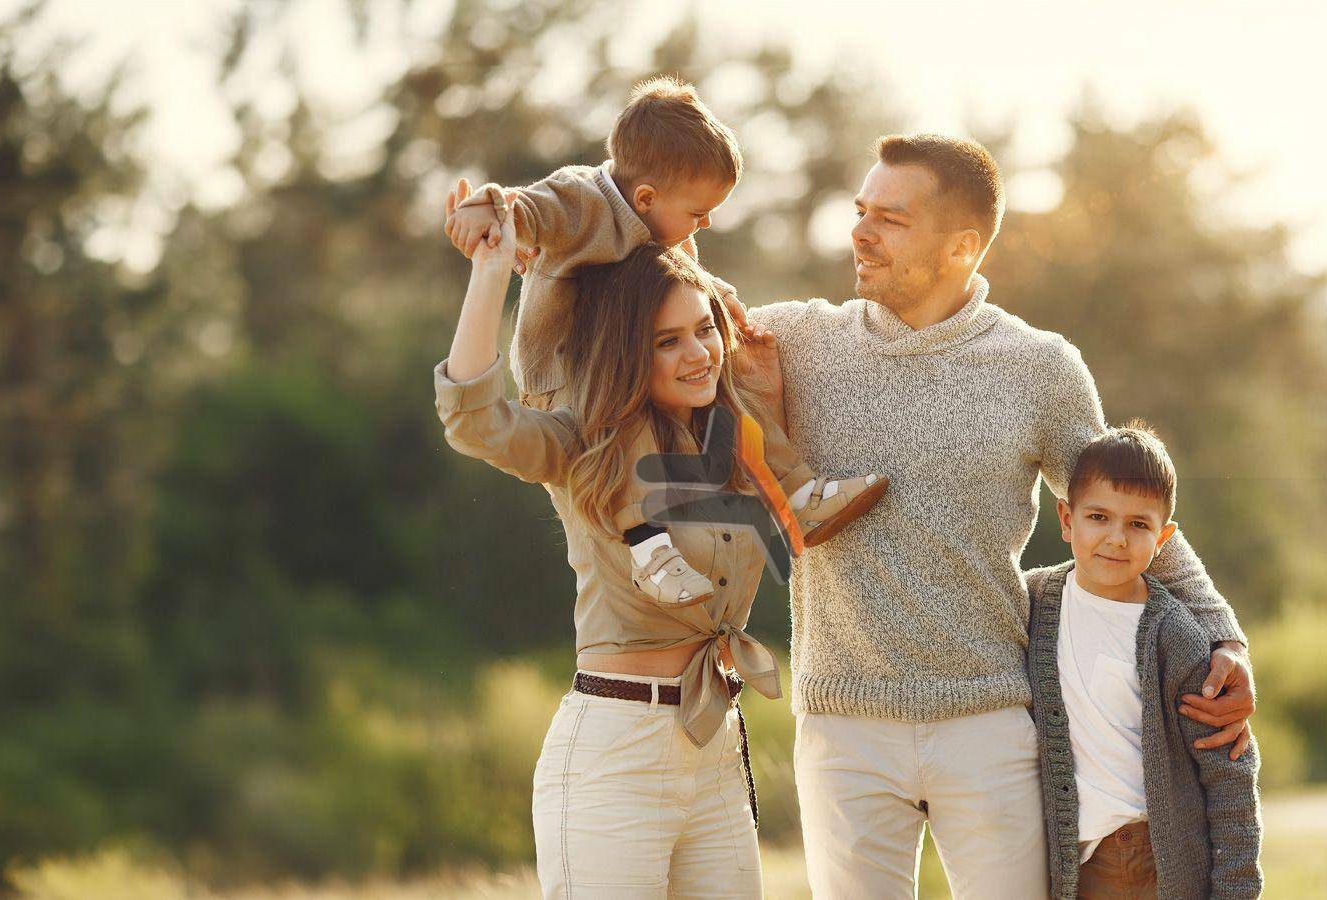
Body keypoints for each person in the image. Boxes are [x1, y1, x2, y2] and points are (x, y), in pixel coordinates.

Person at [742, 134, 1258, 898]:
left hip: (990, 720)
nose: (859, 231)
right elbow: (664, 302)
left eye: (889, 218)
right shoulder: (792, 340)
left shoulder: (1041, 368)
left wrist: (1224, 637)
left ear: (961, 246)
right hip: (842, 726)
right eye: (860, 211)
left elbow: (1126, 513)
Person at [434, 197, 783, 897]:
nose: (698, 353)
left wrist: (767, 391)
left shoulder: (731, 440)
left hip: (714, 738)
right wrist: (494, 268)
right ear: (628, 351)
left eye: (703, 329)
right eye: (666, 341)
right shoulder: (582, 445)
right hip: (616, 749)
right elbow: (474, 420)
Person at [443, 76, 885, 609]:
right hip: (566, 377)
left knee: (730, 382)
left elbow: (675, 278)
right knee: (624, 419)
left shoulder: (662, 221)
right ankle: (648, 546)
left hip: (627, 365)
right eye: (699, 212)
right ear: (647, 196)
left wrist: (719, 301)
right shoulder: (584, 199)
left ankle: (795, 491)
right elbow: (527, 209)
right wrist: (485, 212)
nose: (707, 222)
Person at [1026, 424, 1262, 899]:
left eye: (1138, 524)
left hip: (1147, 857)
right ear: (1067, 520)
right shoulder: (1033, 602)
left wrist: (1236, 888)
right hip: (1069, 858)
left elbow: (1229, 767)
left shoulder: (1174, 635)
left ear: (1164, 537)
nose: (1116, 538)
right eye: (1098, 517)